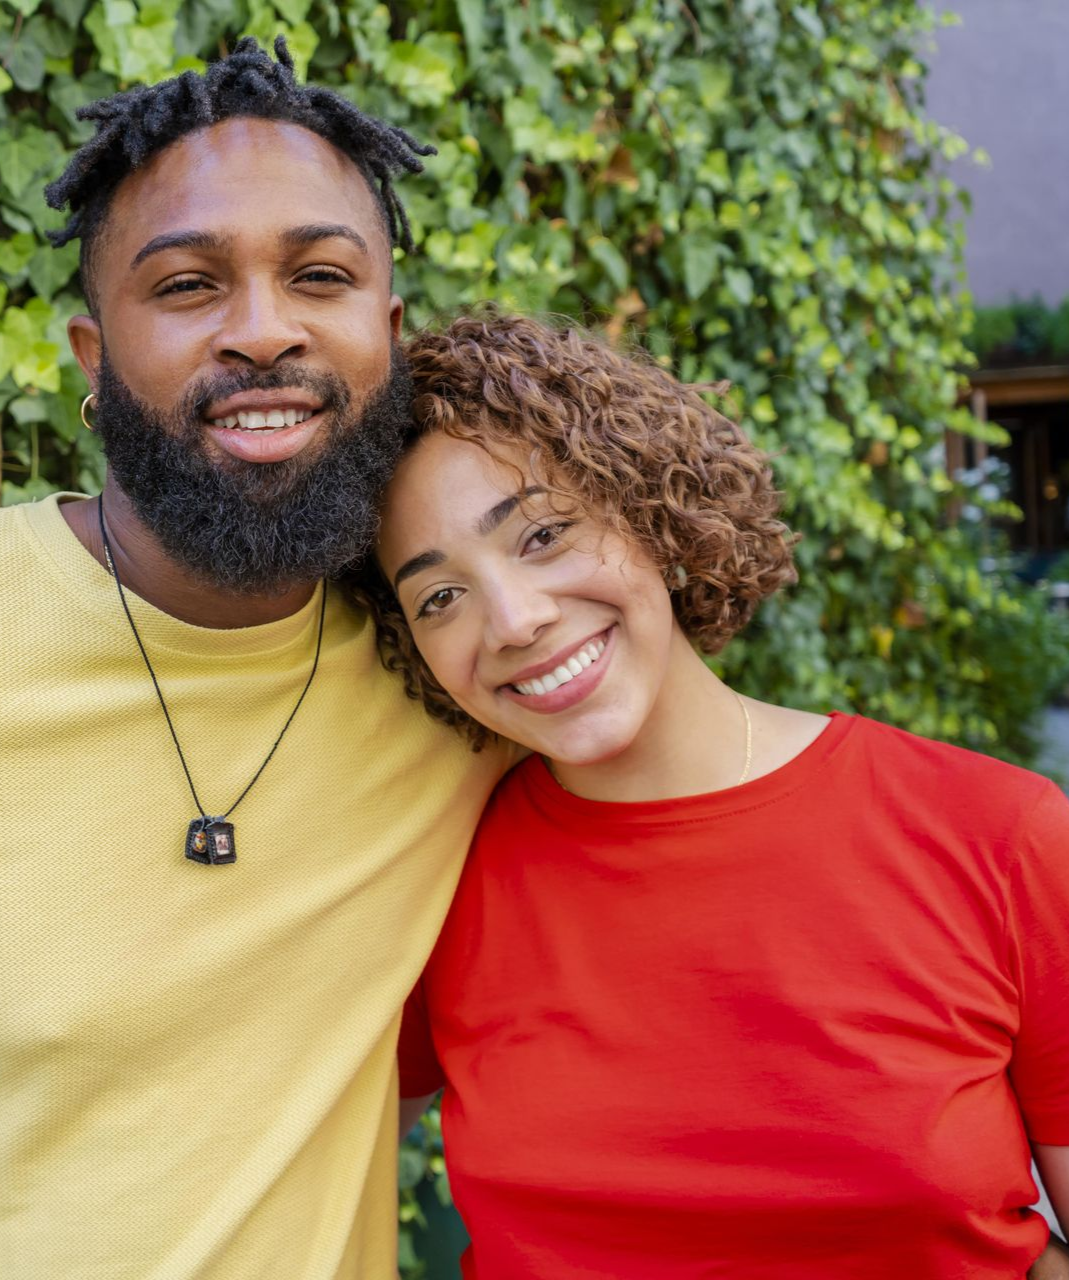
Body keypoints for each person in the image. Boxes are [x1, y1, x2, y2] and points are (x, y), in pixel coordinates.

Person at [0, 39, 512, 1280]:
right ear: (90, 358)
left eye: (320, 276)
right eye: (186, 286)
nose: (263, 331)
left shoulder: (457, 672)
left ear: (386, 334)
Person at [369, 313, 1068, 1278]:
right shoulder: (435, 883)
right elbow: (292, 1179)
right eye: (438, 596)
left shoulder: (1002, 835)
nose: (515, 620)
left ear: (646, 506)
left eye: (542, 533)